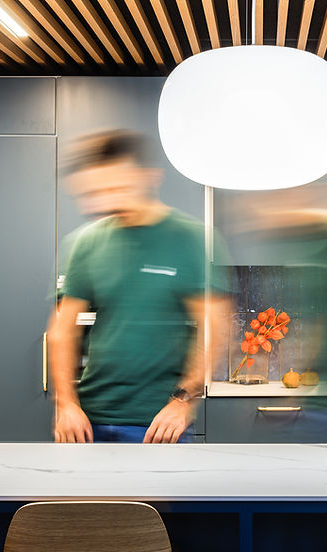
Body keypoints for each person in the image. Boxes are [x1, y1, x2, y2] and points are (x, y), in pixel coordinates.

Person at [48, 131, 228, 444]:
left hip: (159, 424)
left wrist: (183, 401)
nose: (109, 200)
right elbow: (63, 330)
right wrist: (66, 404)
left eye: (119, 187)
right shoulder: (86, 243)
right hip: (89, 422)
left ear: (149, 177)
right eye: (99, 191)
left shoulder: (190, 240)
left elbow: (216, 326)